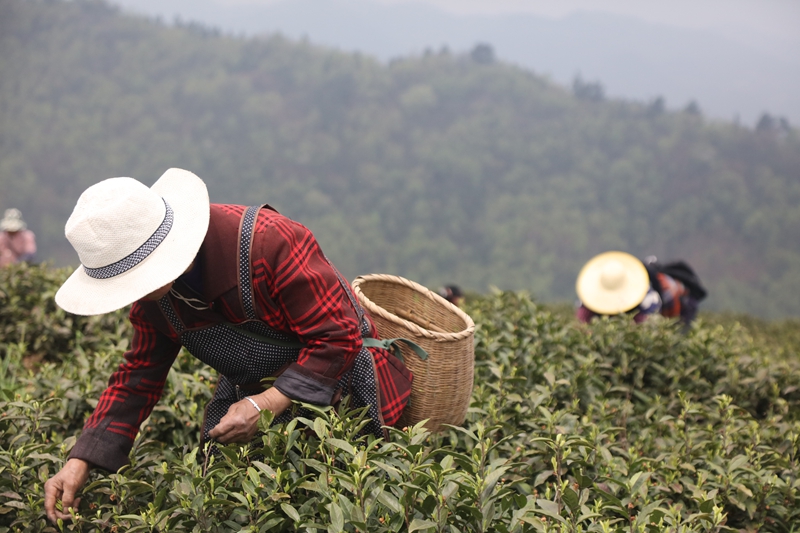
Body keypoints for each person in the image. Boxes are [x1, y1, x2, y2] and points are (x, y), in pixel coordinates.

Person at [43, 168, 412, 524]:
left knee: (348, 504)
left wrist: (264, 405)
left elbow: (338, 337)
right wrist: (80, 460)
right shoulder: (153, 303)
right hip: (249, 398)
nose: (131, 293)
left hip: (340, 390)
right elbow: (137, 377)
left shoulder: (270, 242)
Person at [575, 251, 705, 328]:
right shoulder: (588, 296)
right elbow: (582, 324)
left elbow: (647, 332)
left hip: (682, 303)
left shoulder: (648, 298)